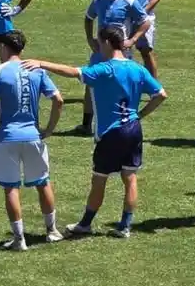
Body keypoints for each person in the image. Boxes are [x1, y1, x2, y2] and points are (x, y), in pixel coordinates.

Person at [23, 26, 168, 239]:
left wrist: (41, 63)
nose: (99, 47)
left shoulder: (106, 69)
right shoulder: (138, 69)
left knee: (99, 179)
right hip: (134, 129)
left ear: (108, 43)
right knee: (130, 177)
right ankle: (125, 226)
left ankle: (85, 224)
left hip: (111, 133)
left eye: (100, 43)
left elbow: (74, 72)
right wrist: (140, 114)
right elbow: (161, 94)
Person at [0, 30, 64, 251]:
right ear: (21, 49)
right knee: (43, 182)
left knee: (11, 187)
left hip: (7, 138)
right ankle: (52, 231)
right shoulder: (36, 70)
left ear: (3, 48)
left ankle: (19, 239)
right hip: (33, 136)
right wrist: (49, 129)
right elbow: (58, 100)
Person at [77, 0, 153, 134]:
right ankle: (86, 124)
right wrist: (90, 38)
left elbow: (145, 22)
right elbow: (89, 18)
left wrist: (132, 39)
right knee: (90, 83)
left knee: (122, 84)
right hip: (101, 50)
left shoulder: (129, 2)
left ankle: (124, 119)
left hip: (121, 52)